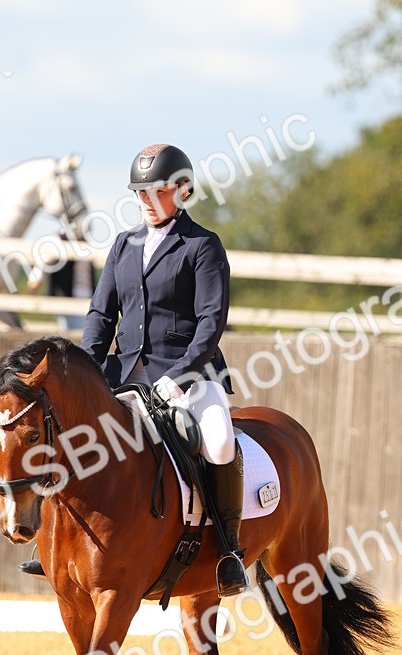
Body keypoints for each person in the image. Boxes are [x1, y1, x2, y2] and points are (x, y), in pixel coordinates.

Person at [20, 142, 248, 597]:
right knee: (66, 433)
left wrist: (178, 376)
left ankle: (228, 552)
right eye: (139, 191)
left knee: (220, 441)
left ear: (181, 191)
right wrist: (86, 371)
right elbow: (101, 315)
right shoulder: (125, 244)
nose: (145, 199)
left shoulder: (202, 245)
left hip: (190, 376)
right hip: (123, 375)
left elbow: (211, 324)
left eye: (156, 190)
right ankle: (53, 544)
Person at [27, 231, 97, 330]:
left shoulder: (85, 243)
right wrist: (35, 282)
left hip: (87, 302)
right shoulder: (59, 241)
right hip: (67, 302)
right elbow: (42, 266)